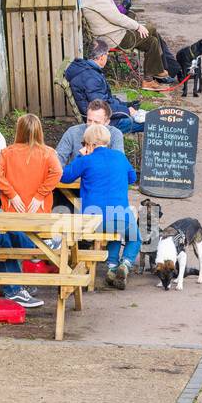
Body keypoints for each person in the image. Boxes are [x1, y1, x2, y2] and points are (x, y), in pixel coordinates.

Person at [58, 123, 141, 289]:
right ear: (107, 141)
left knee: (109, 230)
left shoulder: (86, 160)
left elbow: (64, 176)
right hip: (119, 216)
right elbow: (132, 178)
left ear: (89, 144)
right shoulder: (119, 157)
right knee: (134, 237)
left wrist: (80, 157)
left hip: (92, 220)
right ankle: (124, 264)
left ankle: (111, 268)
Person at [0, 114, 63, 309]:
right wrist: (40, 195)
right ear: (40, 130)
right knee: (27, 240)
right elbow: (57, 172)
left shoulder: (7, 153)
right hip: (38, 212)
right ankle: (41, 248)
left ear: (19, 130)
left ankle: (22, 274)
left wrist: (11, 193)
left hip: (12, 211)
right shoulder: (48, 152)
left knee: (10, 241)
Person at [80, 0, 170, 89]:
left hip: (110, 35)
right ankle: (157, 71)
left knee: (151, 40)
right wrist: (137, 26)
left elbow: (114, 16)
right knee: (151, 29)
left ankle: (152, 77)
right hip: (113, 38)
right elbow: (116, 17)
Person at [64, 41, 147, 135]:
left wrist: (126, 105)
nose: (107, 57)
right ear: (102, 57)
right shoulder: (91, 78)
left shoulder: (86, 69)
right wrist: (127, 110)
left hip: (101, 116)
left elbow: (103, 100)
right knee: (152, 122)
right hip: (105, 123)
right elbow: (100, 108)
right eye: (107, 55)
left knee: (149, 116)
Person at [56, 99, 125, 167]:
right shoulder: (73, 132)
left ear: (107, 122)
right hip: (77, 175)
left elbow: (119, 162)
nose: (92, 125)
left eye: (96, 122)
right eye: (89, 120)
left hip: (104, 175)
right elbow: (58, 158)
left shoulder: (115, 134)